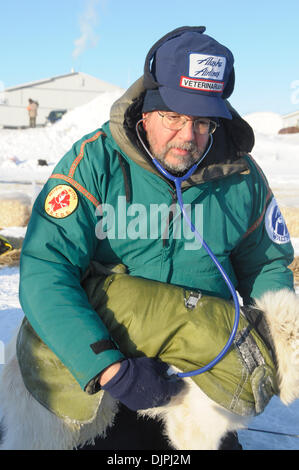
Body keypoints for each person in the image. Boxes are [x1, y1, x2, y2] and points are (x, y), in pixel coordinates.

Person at [18, 26, 294, 450]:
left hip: (200, 379)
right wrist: (110, 370)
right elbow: (45, 269)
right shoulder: (94, 163)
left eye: (203, 121)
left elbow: (266, 265)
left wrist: (281, 343)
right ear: (146, 111)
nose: (189, 135)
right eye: (174, 118)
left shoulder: (241, 177)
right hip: (103, 373)